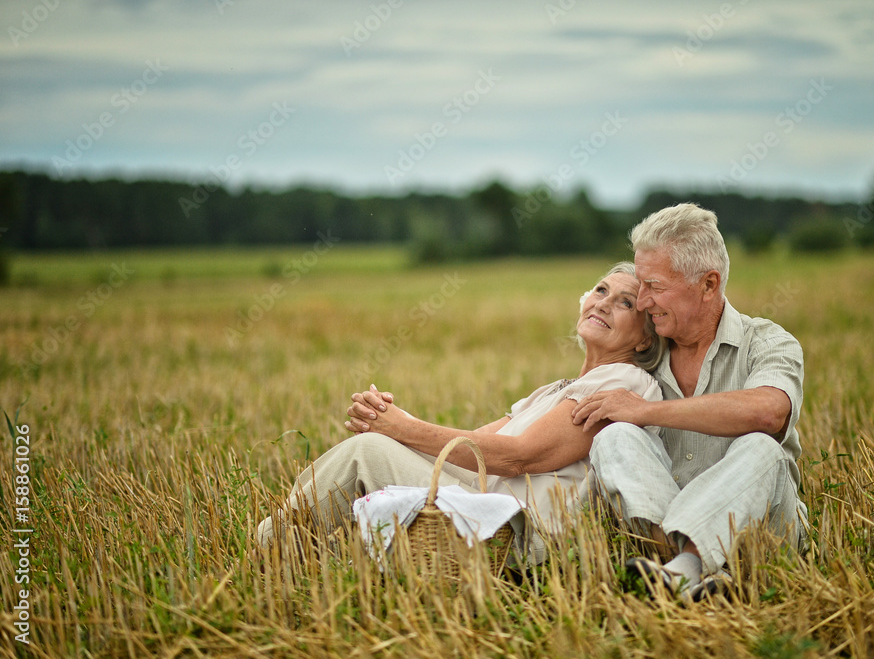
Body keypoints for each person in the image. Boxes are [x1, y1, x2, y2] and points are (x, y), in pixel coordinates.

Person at [257, 262, 666, 560]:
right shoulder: (555, 389)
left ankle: (264, 551)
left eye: (625, 303)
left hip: (518, 530)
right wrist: (395, 423)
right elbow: (471, 450)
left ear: (645, 341)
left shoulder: (623, 382)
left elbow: (518, 456)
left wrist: (400, 430)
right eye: (600, 290)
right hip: (480, 502)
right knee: (376, 443)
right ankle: (293, 552)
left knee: (367, 453)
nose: (603, 303)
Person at [571, 203, 807, 602]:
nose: (643, 301)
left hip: (764, 543)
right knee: (615, 438)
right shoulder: (645, 355)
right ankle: (687, 574)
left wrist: (645, 410)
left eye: (655, 287)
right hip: (662, 542)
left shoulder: (768, 342)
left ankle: (687, 569)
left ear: (709, 284)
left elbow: (769, 412)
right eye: (640, 285)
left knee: (761, 446)